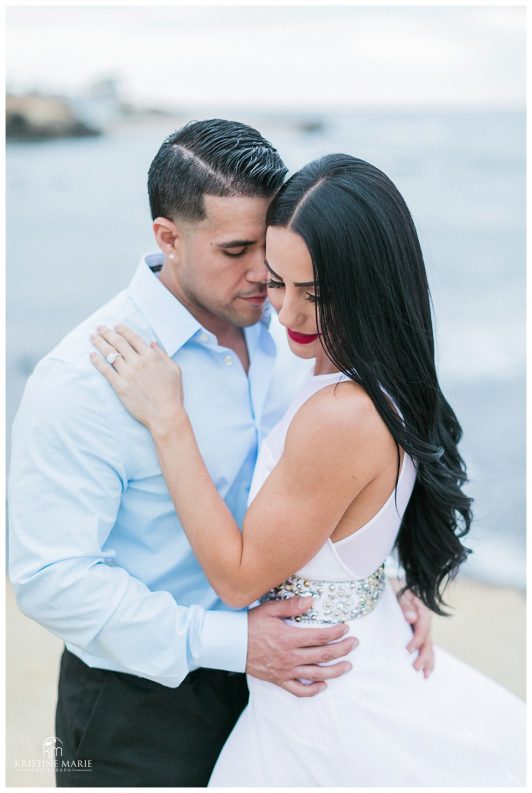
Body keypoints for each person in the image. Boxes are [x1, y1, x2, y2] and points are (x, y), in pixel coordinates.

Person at [7, 122, 432, 787]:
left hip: (284, 693)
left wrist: (381, 576)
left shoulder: (292, 327)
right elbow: (50, 577)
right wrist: (235, 644)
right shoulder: (83, 377)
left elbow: (333, 477)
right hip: (144, 704)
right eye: (236, 250)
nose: (263, 273)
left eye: (269, 247)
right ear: (168, 238)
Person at [90, 153, 525, 787]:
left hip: (323, 706)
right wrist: (380, 578)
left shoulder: (340, 415)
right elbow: (348, 519)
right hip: (342, 656)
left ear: (369, 284)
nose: (287, 313)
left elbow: (240, 579)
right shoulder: (378, 376)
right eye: (276, 282)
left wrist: (168, 420)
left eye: (315, 294)